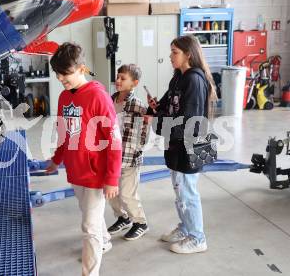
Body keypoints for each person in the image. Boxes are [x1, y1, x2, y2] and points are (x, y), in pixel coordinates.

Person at [45, 42, 122, 276]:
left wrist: (112, 178)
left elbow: (114, 141)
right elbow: (64, 133)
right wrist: (57, 158)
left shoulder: (99, 97)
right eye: (57, 74)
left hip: (96, 175)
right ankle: (104, 241)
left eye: (65, 73)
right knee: (91, 216)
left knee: (89, 227)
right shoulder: (64, 97)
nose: (60, 78)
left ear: (81, 68)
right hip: (76, 171)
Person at [146, 35, 217, 254]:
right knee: (180, 191)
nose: (170, 56)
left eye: (175, 52)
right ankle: (186, 227)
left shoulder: (194, 80)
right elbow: (168, 106)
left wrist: (157, 122)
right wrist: (156, 109)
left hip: (191, 145)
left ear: (188, 54)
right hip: (177, 144)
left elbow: (191, 123)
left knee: (188, 192)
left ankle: (198, 238)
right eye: (171, 51)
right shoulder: (178, 77)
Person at [107, 64, 149, 241]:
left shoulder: (138, 106)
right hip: (111, 156)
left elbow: (143, 135)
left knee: (127, 194)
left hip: (129, 158)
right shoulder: (110, 100)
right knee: (111, 192)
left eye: (123, 78)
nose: (118, 81)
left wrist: (136, 152)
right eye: (117, 77)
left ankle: (140, 222)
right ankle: (123, 218)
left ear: (134, 83)